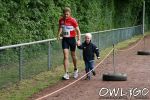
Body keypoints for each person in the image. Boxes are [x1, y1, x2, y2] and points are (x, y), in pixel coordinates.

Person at [57, 7, 81, 80]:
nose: (66, 16)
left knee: (73, 55)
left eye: (67, 14)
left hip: (72, 39)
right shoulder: (61, 20)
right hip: (65, 40)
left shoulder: (73, 20)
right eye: (65, 14)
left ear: (70, 14)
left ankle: (76, 69)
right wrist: (58, 35)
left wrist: (79, 40)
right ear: (63, 14)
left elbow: (78, 31)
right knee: (65, 56)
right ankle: (66, 73)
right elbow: (60, 27)